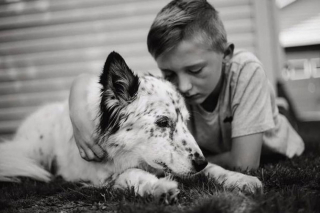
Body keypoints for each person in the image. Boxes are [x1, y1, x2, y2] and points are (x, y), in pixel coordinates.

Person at [69, 0, 304, 170]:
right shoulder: (173, 92)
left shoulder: (246, 71)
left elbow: (245, 163)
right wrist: (77, 113)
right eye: (169, 73)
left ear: (226, 55)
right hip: (215, 148)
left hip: (274, 152)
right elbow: (85, 81)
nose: (183, 86)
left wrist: (185, 162)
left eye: (195, 70)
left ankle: (280, 111)